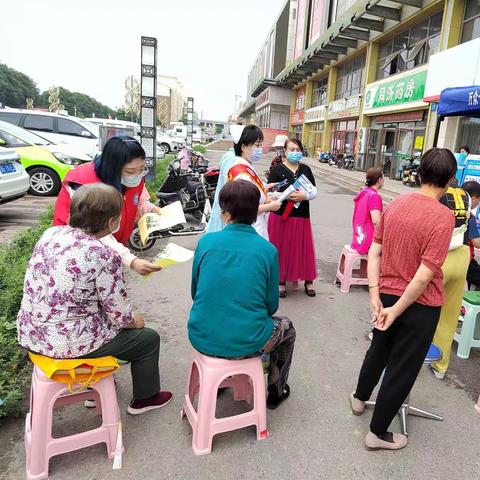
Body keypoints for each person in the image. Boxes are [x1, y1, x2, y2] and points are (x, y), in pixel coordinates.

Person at [17, 184, 172, 414]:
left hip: (32, 336)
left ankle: (95, 387)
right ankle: (145, 398)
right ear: (111, 222)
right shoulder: (103, 254)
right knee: (147, 339)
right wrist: (136, 321)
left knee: (94, 316)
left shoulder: (51, 234)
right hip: (69, 345)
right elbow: (120, 315)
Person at [350, 148, 456, 451]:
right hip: (419, 305)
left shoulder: (395, 203)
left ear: (419, 173)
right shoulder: (443, 216)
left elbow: (375, 250)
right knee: (403, 366)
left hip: (386, 292)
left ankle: (359, 400)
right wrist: (397, 310)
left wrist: (375, 295)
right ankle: (377, 433)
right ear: (449, 180)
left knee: (379, 350)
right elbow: (423, 276)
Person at [188, 180, 296, 409]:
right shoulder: (267, 250)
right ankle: (276, 390)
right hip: (248, 341)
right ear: (255, 215)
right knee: (286, 327)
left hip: (201, 336)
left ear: (225, 215)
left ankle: (219, 381)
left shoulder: (206, 242)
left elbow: (195, 292)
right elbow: (271, 305)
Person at [53, 136, 162, 276]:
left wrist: (154, 210)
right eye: (130, 171)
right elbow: (95, 231)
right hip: (78, 254)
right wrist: (131, 260)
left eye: (141, 169)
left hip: (111, 249)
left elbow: (139, 201)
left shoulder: (134, 178)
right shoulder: (86, 186)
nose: (137, 175)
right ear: (113, 168)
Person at [428, 183, 474, 380]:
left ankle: (408, 358)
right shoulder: (465, 196)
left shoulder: (437, 194)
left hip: (439, 256)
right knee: (449, 316)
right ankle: (440, 366)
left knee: (417, 310)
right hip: (462, 256)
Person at [267, 138, 318, 297]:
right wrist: (284, 195)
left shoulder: (306, 169)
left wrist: (305, 196)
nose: (295, 152)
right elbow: (269, 193)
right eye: (292, 149)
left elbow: (314, 191)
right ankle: (280, 281)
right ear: (285, 151)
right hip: (281, 215)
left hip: (301, 215)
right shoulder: (276, 170)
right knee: (281, 247)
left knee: (302, 248)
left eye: (298, 149)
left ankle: (308, 281)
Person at [227, 124, 282, 239]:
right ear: (243, 147)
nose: (260, 149)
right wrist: (270, 206)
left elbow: (254, 191)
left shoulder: (246, 166)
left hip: (255, 227)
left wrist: (266, 196)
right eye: (257, 145)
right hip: (251, 230)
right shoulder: (241, 173)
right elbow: (244, 209)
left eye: (260, 145)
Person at [351, 168, 384, 255]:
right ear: (379, 180)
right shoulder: (374, 196)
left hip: (358, 239)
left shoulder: (364, 193)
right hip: (369, 241)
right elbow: (376, 221)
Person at [463, 181, 480, 289]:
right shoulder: (470, 217)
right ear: (473, 198)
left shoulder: (455, 211)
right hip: (466, 261)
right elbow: (477, 243)